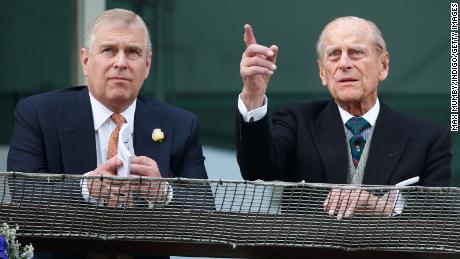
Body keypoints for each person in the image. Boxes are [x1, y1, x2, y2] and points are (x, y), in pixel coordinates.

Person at [7, 8, 210, 259]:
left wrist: (163, 193)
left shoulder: (180, 124)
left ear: (147, 65)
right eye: (108, 50)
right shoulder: (38, 114)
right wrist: (85, 188)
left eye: (133, 52)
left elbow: (204, 209)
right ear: (85, 61)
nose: (121, 62)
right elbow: (24, 193)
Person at [236, 16, 452, 219]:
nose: (344, 63)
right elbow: (258, 171)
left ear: (383, 66)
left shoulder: (428, 139)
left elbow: (438, 217)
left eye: (356, 52)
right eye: (334, 54)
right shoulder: (296, 121)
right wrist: (253, 96)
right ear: (323, 73)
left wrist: (385, 208)